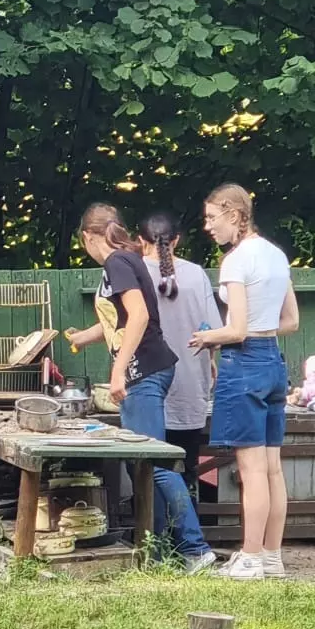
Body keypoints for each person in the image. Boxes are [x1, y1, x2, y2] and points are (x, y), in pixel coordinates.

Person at [64, 203, 217, 573]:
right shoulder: (130, 259)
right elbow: (121, 319)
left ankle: (196, 549)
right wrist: (83, 338)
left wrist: (118, 370)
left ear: (88, 237)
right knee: (145, 465)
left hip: (144, 372)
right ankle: (157, 553)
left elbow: (140, 316)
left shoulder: (116, 262)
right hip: (154, 368)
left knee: (155, 464)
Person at [189, 184, 299, 580]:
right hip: (273, 362)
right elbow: (291, 321)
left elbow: (235, 330)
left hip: (244, 362)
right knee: (272, 469)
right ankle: (271, 556)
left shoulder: (235, 261)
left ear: (234, 215)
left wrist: (206, 337)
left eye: (212, 218)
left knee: (251, 471)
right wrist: (257, 329)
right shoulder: (276, 255)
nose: (208, 226)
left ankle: (250, 558)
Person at [138, 208, 219, 501]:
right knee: (186, 470)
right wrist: (211, 359)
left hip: (146, 387)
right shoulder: (196, 274)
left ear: (140, 241)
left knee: (148, 472)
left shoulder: (131, 273)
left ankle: (154, 527)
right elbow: (213, 331)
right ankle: (188, 527)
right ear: (177, 240)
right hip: (190, 385)